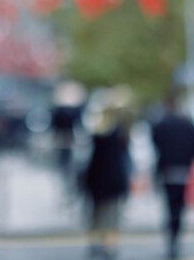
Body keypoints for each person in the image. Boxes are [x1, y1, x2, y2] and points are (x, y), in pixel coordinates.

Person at [82, 87, 133, 260]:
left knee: (98, 213)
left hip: (98, 180)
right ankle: (108, 245)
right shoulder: (120, 132)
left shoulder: (98, 131)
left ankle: (97, 243)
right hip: (112, 180)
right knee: (111, 215)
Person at [152, 93, 194, 260]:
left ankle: (171, 241)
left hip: (167, 171)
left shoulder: (162, 124)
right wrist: (188, 160)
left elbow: (155, 142)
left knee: (170, 208)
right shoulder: (188, 124)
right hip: (183, 171)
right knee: (179, 208)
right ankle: (176, 240)